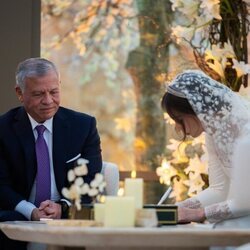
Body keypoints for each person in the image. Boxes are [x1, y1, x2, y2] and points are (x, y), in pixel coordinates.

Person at [0, 58, 102, 249]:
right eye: (38, 94)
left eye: (54, 92)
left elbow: (90, 178)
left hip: (68, 212)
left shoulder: (83, 126)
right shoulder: (3, 129)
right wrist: (31, 211)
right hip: (18, 213)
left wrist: (61, 207)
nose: (48, 101)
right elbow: (1, 185)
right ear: (19, 93)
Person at [161, 69, 250, 224]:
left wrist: (201, 214)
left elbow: (247, 199)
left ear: (195, 108)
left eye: (178, 119)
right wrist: (177, 209)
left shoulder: (245, 130)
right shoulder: (213, 134)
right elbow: (218, 190)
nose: (177, 128)